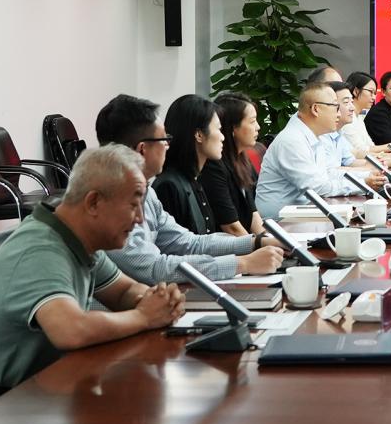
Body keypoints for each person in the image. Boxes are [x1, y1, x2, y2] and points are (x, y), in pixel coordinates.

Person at [0, 146, 185, 408]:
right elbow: (71, 330)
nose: (139, 219)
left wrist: (157, 300)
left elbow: (123, 292)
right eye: (134, 204)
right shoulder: (41, 249)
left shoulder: (78, 238)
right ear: (93, 203)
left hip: (36, 386)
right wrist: (144, 317)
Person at [97, 95, 285, 283]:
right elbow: (153, 268)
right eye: (164, 139)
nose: (167, 145)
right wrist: (243, 263)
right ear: (142, 149)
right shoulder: (112, 201)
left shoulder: (148, 194)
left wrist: (257, 242)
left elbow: (190, 243)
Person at [256, 81, 388, 219]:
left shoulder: (313, 135)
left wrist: (366, 177)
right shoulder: (292, 140)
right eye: (335, 107)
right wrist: (363, 183)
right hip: (282, 222)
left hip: (305, 210)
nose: (339, 114)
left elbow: (326, 175)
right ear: (316, 109)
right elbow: (318, 188)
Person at [153, 95, 223, 235]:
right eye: (219, 129)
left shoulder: (192, 179)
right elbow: (177, 244)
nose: (223, 137)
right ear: (199, 135)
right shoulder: (169, 186)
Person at [200, 92, 264, 236]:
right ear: (233, 127)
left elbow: (253, 214)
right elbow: (231, 227)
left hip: (245, 240)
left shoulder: (242, 159)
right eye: (252, 121)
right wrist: (259, 244)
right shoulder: (213, 166)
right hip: (228, 245)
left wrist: (268, 240)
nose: (258, 127)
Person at [325, 81, 391, 169]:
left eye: (351, 102)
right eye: (346, 102)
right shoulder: (322, 136)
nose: (352, 107)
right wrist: (383, 162)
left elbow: (351, 159)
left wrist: (382, 160)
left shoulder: (339, 133)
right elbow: (332, 171)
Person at [341, 71, 391, 160]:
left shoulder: (358, 118)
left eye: (375, 93)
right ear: (356, 91)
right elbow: (361, 150)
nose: (374, 97)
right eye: (370, 92)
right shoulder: (347, 118)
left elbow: (370, 145)